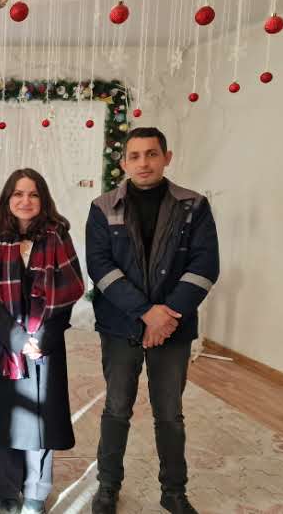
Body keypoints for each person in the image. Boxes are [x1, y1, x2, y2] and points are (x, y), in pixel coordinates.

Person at [86, 127, 219, 514]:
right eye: (135, 156)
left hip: (173, 327)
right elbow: (100, 266)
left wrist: (166, 315)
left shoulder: (194, 205)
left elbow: (206, 264)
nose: (143, 163)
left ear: (166, 157)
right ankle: (108, 487)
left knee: (170, 414)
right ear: (123, 162)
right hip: (120, 325)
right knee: (116, 408)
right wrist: (147, 313)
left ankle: (173, 492)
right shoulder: (102, 207)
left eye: (152, 154)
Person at [0, 169, 84, 514]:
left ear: (43, 200)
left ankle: (37, 490)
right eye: (18, 194)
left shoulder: (58, 236)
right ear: (8, 199)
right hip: (1, 344)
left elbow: (69, 293)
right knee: (4, 421)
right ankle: (7, 493)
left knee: (41, 422)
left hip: (45, 347)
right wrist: (18, 339)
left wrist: (42, 339)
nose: (25, 201)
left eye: (33, 194)